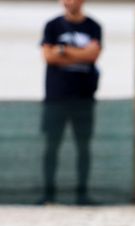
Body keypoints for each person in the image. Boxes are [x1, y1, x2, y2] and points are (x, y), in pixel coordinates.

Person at [39, 0, 102, 205]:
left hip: (84, 98)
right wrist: (80, 54)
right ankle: (49, 193)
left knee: (83, 147)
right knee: (51, 146)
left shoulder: (93, 26)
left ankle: (82, 194)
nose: (67, 2)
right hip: (56, 97)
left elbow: (93, 55)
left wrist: (63, 51)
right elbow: (48, 57)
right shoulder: (52, 26)